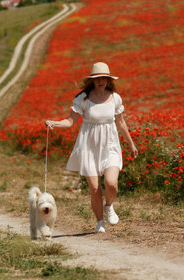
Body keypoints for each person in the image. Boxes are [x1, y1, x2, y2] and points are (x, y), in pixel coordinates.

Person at [46, 62, 138, 233]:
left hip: (109, 144)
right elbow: (70, 121)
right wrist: (54, 123)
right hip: (88, 146)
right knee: (95, 188)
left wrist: (131, 144)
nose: (100, 81)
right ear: (92, 81)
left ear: (109, 80)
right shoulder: (83, 99)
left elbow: (121, 122)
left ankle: (109, 206)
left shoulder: (115, 98)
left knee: (111, 183)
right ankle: (99, 222)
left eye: (104, 78)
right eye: (97, 79)